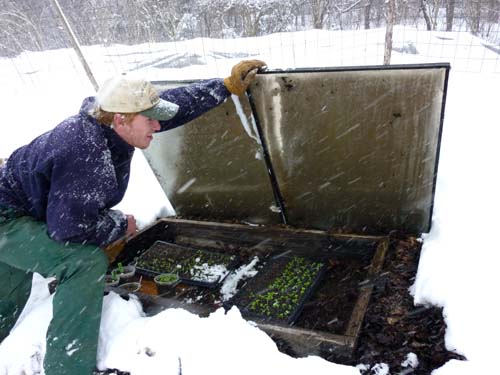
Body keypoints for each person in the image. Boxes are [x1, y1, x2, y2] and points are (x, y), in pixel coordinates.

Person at [0, 59, 266, 374]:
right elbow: (69, 230)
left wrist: (223, 87)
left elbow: (172, 108)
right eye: (150, 120)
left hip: (20, 209)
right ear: (122, 120)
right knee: (83, 263)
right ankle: (67, 368)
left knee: (10, 286)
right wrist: (117, 225)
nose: (157, 126)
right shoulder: (86, 151)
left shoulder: (111, 123)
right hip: (8, 220)